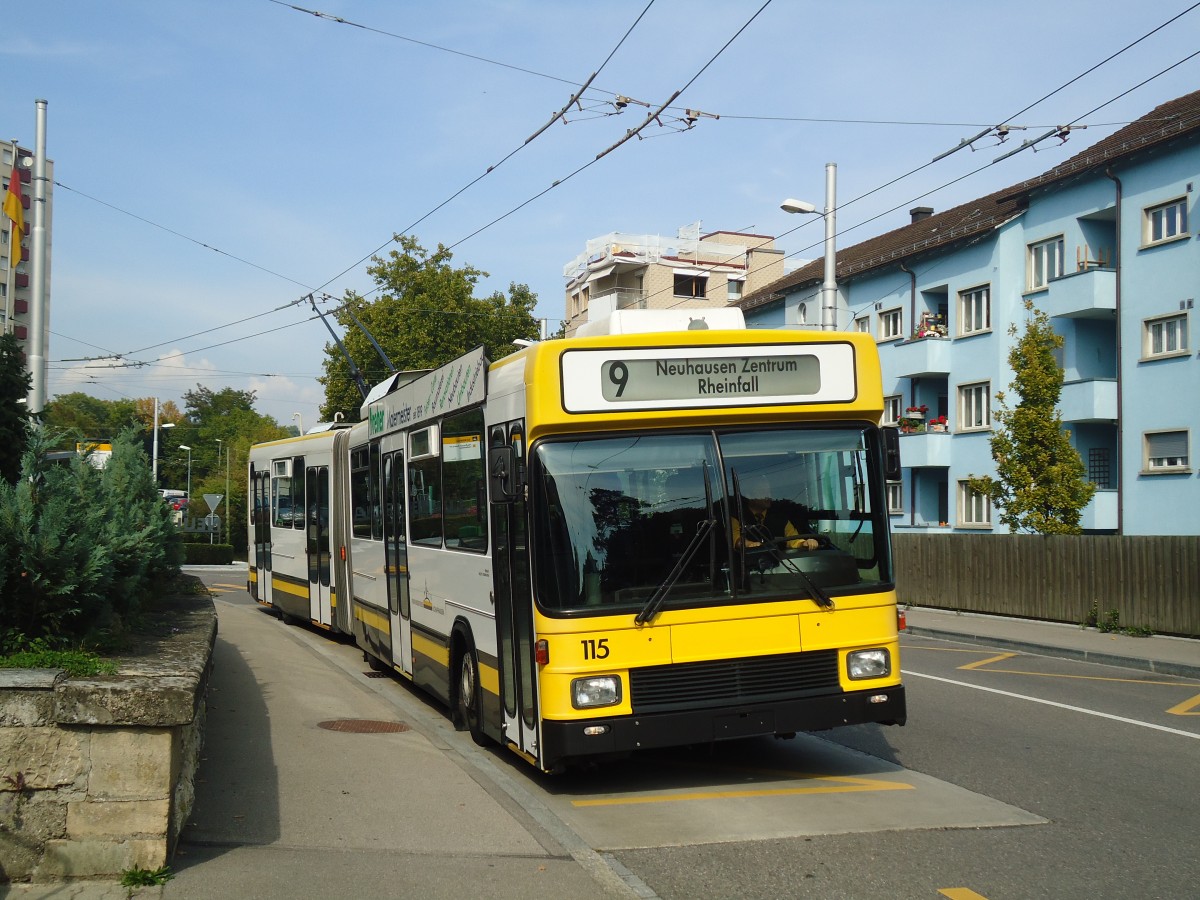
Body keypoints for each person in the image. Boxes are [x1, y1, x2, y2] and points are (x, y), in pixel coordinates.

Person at [731, 474, 820, 552]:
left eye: (769, 491)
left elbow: (794, 540)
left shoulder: (780, 518)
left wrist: (805, 543)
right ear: (749, 495)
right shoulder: (737, 517)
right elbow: (737, 540)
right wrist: (749, 544)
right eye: (763, 491)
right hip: (748, 568)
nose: (769, 495)